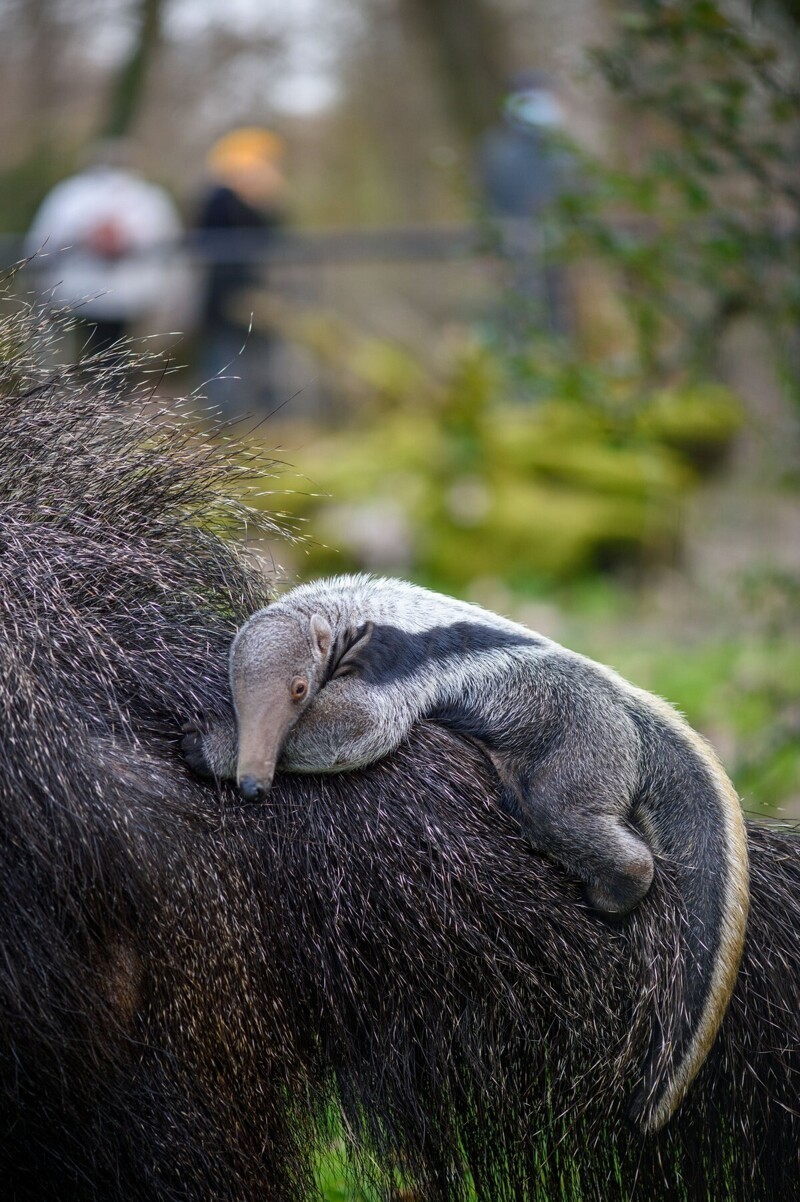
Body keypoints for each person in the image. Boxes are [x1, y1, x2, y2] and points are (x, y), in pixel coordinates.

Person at [26, 140, 183, 354]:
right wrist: (90, 238)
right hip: (86, 287)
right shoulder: (73, 194)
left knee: (107, 345)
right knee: (101, 344)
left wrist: (123, 240)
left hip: (112, 289)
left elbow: (41, 241)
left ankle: (106, 380)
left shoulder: (70, 194)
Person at [193, 127, 287, 412]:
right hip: (223, 292)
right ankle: (222, 413)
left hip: (254, 290)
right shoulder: (219, 197)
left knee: (259, 351)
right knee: (223, 352)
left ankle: (262, 410)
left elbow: (274, 232)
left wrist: (262, 196)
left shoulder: (258, 200)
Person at [478, 71, 573, 337]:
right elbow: (488, 202)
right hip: (516, 249)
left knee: (561, 320)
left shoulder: (563, 151)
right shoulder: (497, 149)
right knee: (519, 319)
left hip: (562, 252)